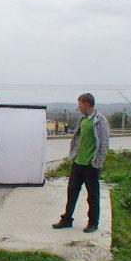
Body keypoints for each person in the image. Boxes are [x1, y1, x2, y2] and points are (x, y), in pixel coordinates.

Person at [52, 93, 110, 233]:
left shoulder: (100, 121)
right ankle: (66, 220)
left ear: (87, 104)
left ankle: (93, 223)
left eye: (80, 104)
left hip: (91, 165)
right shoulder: (82, 120)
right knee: (71, 192)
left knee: (92, 196)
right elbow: (77, 140)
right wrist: (74, 156)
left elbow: (104, 143)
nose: (78, 107)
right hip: (78, 163)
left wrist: (98, 162)